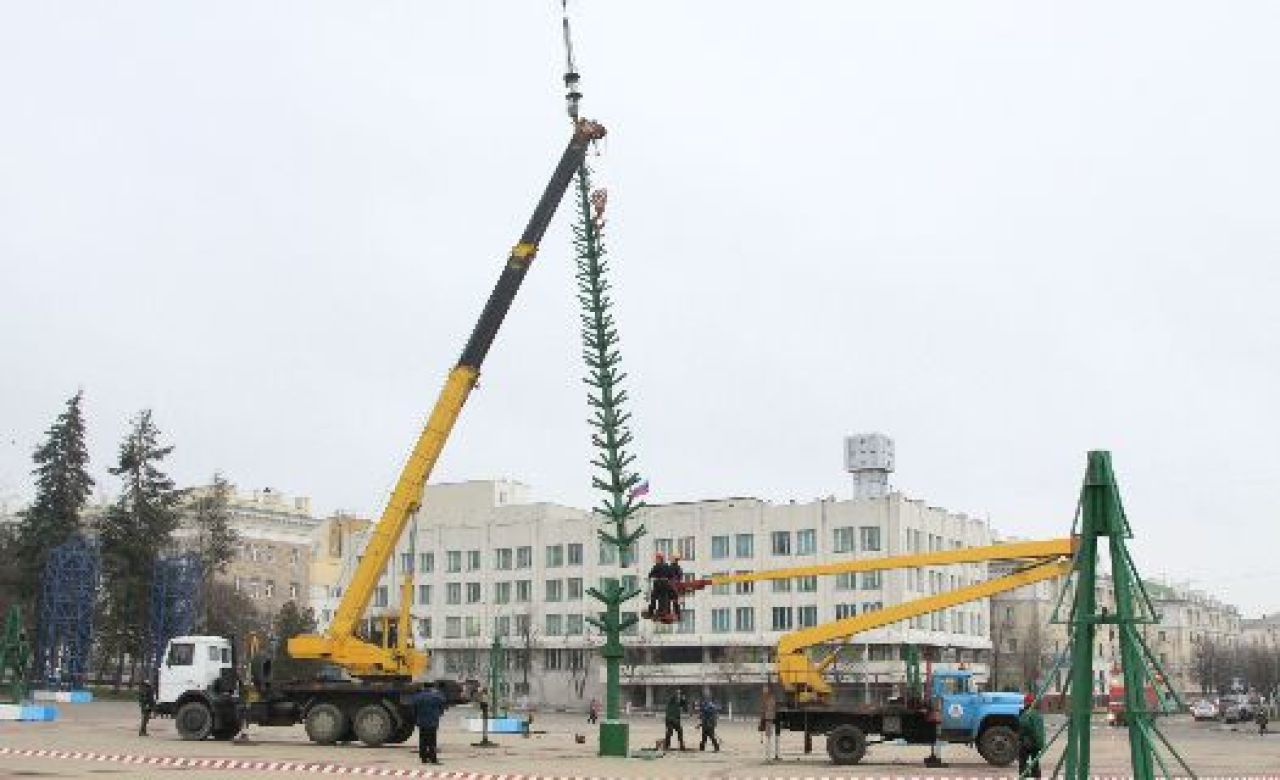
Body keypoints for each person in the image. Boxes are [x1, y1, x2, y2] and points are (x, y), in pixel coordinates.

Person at [410, 683, 447, 764]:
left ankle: (423, 758)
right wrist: (438, 715)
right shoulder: (437, 696)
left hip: (421, 721)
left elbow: (413, 708)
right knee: (432, 740)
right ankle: (433, 758)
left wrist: (416, 718)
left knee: (422, 740)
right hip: (432, 721)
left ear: (423, 687)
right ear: (432, 687)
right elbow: (442, 706)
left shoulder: (418, 696)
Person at [1018, 693, 1045, 778]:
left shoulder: (1027, 713)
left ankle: (1024, 776)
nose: (1024, 703)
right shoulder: (1038, 714)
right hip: (1037, 743)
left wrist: (1021, 739)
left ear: (1028, 703)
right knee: (1035, 763)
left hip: (1028, 742)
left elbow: (1023, 726)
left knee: (1022, 761)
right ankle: (1037, 777)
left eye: (1025, 702)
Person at [647, 552, 673, 618]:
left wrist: (651, 577)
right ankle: (663, 612)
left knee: (653, 598)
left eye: (656, 558)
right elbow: (671, 575)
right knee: (664, 598)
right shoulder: (667, 566)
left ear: (659, 559)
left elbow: (650, 574)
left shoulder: (657, 566)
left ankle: (651, 612)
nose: (655, 560)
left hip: (658, 583)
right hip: (665, 583)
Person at [760, 685, 779, 761]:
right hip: (769, 719)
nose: (763, 693)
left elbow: (764, 710)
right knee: (768, 736)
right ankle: (768, 755)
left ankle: (768, 756)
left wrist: (762, 719)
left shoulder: (767, 700)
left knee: (768, 737)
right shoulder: (771, 699)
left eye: (764, 691)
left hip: (768, 719)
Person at [668, 553, 685, 619]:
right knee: (675, 602)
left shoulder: (671, 567)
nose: (670, 559)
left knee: (668, 601)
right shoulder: (679, 568)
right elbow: (680, 577)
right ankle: (678, 615)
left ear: (674, 559)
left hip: (671, 586)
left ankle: (671, 614)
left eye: (671, 558)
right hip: (676, 586)